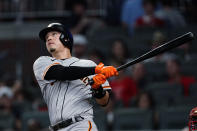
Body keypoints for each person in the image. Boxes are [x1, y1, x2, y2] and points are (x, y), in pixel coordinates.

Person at [33, 23, 118, 131]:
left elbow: (104, 102)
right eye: (46, 37)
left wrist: (97, 88)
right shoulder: (42, 62)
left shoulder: (88, 64)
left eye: (54, 34)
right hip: (56, 128)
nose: (49, 38)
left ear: (66, 38)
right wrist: (96, 70)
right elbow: (62, 73)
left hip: (81, 125)